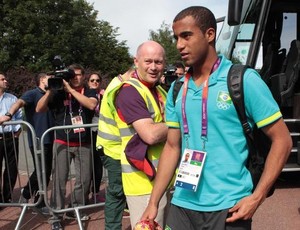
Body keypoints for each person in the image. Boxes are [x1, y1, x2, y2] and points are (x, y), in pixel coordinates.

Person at [141, 6, 292, 230]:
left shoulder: (244, 80)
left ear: (210, 34)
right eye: (176, 38)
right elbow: (172, 147)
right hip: (183, 204)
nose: (179, 45)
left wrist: (256, 197)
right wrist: (154, 202)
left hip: (229, 207)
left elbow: (283, 141)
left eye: (186, 35)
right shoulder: (177, 88)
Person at [113, 40, 168, 228]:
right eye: (148, 61)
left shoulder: (159, 90)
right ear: (136, 62)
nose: (153, 67)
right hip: (142, 183)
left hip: (162, 179)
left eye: (158, 62)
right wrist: (180, 125)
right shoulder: (129, 91)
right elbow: (150, 135)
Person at [36, 64, 97, 230]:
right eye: (72, 75)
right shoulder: (58, 93)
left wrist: (71, 90)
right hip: (62, 141)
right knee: (59, 180)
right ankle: (55, 215)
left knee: (84, 180)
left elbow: (91, 105)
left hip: (83, 142)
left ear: (83, 76)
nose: (75, 78)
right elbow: (39, 108)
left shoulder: (89, 91)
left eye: (78, 75)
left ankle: (74, 208)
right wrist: (50, 90)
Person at [0, 73, 54, 212]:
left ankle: (31, 197)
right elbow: (19, 104)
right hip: (37, 137)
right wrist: (8, 114)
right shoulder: (31, 93)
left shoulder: (53, 93)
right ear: (42, 80)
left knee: (45, 170)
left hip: (49, 137)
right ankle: (32, 198)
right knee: (42, 169)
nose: (53, 80)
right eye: (49, 78)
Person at [96, 67, 135, 230]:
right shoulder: (119, 89)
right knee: (117, 192)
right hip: (114, 150)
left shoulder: (116, 83)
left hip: (115, 148)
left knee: (118, 192)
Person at [0, 72, 22, 203]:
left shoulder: (12, 99)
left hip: (11, 138)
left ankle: (7, 196)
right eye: (2, 79)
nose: (6, 81)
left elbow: (19, 116)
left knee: (11, 169)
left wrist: (17, 131)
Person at [86, 72, 104, 203]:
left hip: (101, 132)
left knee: (98, 164)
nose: (95, 82)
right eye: (92, 80)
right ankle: (85, 193)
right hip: (88, 133)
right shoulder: (84, 94)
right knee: (87, 165)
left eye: (97, 80)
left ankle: (96, 191)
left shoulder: (105, 94)